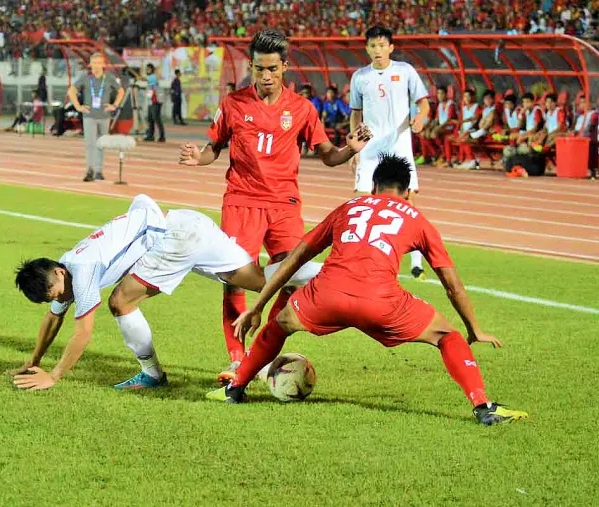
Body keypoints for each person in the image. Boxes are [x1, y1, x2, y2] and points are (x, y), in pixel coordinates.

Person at [207, 154, 529, 427]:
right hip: (382, 303)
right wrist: (474, 328)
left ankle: (235, 389)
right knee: (448, 336)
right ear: (405, 192)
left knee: (279, 326)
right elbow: (452, 284)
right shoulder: (416, 218)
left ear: (373, 187)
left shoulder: (349, 207)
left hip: (326, 296)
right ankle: (482, 406)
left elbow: (296, 258)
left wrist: (259, 305)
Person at [178, 29, 371, 385]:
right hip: (241, 201)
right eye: (259, 69)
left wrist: (350, 151)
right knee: (234, 280)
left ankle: (260, 352)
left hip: (284, 205)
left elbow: (327, 155)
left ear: (285, 67)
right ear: (251, 66)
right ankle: (237, 359)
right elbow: (214, 148)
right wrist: (198, 159)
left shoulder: (301, 109)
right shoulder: (233, 104)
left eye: (272, 69)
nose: (266, 77)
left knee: (293, 278)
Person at [11, 194, 322, 391]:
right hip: (187, 222)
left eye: (56, 293)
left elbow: (83, 334)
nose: (61, 300)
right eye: (53, 299)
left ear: (59, 273)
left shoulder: (84, 268)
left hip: (173, 239)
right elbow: (53, 319)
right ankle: (330, 273)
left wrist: (54, 375)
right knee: (258, 280)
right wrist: (33, 360)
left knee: (120, 302)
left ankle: (152, 375)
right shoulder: (65, 268)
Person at [349, 25, 430, 280]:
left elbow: (423, 104)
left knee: (407, 201)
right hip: (371, 147)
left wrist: (421, 119)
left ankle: (416, 260)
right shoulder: (360, 77)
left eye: (382, 45)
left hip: (399, 145)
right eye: (373, 46)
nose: (378, 50)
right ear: (367, 48)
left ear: (391, 47)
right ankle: (360, 259)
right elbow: (355, 113)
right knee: (362, 203)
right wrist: (355, 147)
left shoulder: (405, 71)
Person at [68, 52, 125, 181]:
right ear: (90, 64)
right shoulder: (85, 77)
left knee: (101, 144)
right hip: (89, 116)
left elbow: (121, 91)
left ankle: (99, 171)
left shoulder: (109, 77)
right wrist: (78, 106)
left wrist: (114, 105)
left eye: (99, 63)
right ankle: (90, 170)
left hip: (104, 116)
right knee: (90, 144)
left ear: (103, 64)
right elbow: (71, 90)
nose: (97, 66)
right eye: (94, 63)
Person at [144, 63, 165, 142]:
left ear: (152, 70)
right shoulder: (151, 77)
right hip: (151, 101)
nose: (147, 71)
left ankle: (162, 136)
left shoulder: (152, 77)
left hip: (156, 101)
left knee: (157, 119)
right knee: (150, 119)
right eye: (146, 69)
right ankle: (150, 135)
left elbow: (144, 79)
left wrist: (136, 75)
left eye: (148, 69)